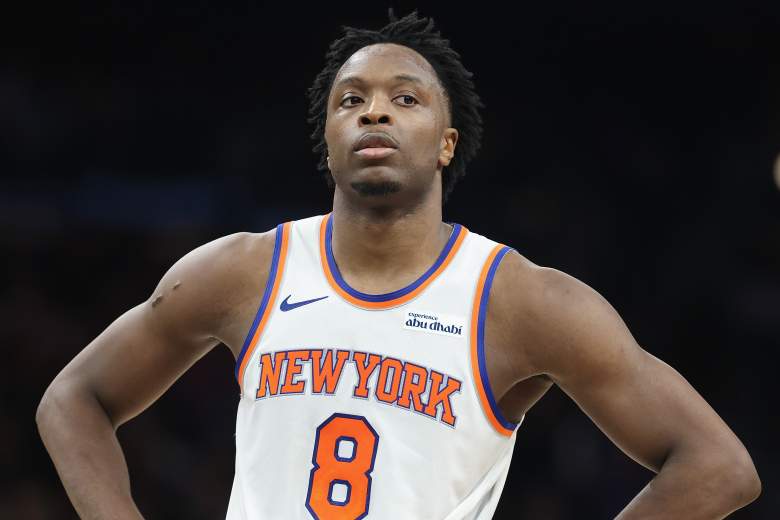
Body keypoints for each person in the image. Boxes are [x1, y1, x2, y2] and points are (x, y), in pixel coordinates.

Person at [36, 10, 760, 520]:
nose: (374, 112)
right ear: (328, 141)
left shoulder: (520, 300)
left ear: (446, 143)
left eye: (404, 98)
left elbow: (718, 467)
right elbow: (72, 400)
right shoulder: (242, 271)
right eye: (351, 100)